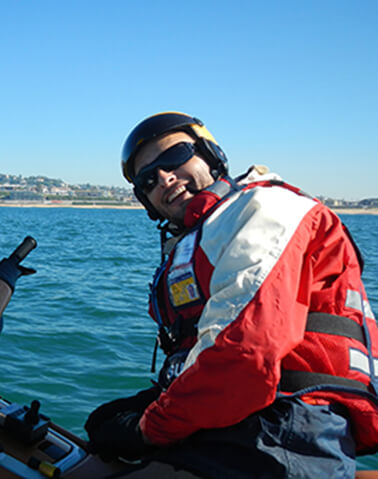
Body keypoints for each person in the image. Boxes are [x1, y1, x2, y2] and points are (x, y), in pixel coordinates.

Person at [85, 112, 378, 478]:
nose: (163, 177)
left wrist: (147, 429)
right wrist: (153, 408)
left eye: (174, 157)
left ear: (209, 154)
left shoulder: (266, 208)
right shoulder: (210, 231)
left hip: (287, 424)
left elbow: (245, 352)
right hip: (231, 414)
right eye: (148, 179)